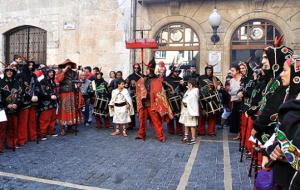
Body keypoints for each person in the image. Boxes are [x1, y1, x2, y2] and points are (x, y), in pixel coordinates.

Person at [264, 57, 300, 190]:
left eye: (285, 70)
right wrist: (269, 151)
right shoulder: (289, 96)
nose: (281, 74)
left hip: (293, 179)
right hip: (282, 173)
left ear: (297, 76)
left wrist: (288, 153)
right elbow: (280, 132)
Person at [135, 57, 173, 142]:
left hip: (152, 104)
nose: (148, 70)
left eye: (150, 69)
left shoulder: (157, 80)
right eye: (148, 69)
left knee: (156, 121)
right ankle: (141, 135)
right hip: (143, 102)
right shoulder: (143, 79)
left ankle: (161, 136)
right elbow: (139, 89)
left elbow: (160, 91)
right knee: (141, 120)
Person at [56, 59, 84, 135]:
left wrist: (78, 84)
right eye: (67, 64)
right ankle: (62, 128)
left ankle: (70, 127)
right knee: (64, 110)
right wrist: (64, 71)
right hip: (63, 93)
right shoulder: (60, 72)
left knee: (72, 109)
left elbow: (77, 82)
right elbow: (59, 80)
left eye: (70, 64)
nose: (68, 66)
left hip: (72, 93)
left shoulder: (75, 73)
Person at [15, 60, 40, 145]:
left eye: (32, 65)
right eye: (29, 65)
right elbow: (19, 89)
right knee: (23, 122)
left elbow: (37, 86)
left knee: (32, 120)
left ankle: (32, 136)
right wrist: (29, 97)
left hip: (33, 101)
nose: (31, 67)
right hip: (24, 101)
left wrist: (36, 94)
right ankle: (22, 139)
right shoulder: (19, 76)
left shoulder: (34, 75)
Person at [0, 66, 21, 151]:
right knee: (2, 128)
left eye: (11, 71)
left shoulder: (16, 83)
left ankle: (12, 144)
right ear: (5, 72)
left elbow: (20, 94)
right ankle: (0, 146)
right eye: (8, 71)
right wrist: (6, 105)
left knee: (13, 127)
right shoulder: (0, 82)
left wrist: (16, 103)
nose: (9, 72)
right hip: (2, 109)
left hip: (14, 109)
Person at [198, 65, 222, 136]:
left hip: (212, 100)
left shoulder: (215, 78)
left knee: (212, 115)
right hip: (202, 99)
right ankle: (201, 131)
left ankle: (211, 131)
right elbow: (196, 86)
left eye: (210, 70)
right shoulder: (200, 77)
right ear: (205, 70)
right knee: (202, 115)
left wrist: (219, 87)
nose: (209, 71)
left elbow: (221, 87)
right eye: (208, 70)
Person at [164, 65, 185, 135]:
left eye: (178, 72)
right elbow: (162, 89)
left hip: (178, 98)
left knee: (178, 115)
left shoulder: (180, 79)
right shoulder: (166, 79)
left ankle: (179, 131)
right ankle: (171, 130)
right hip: (169, 99)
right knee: (170, 114)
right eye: (176, 72)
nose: (177, 73)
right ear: (172, 72)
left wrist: (182, 85)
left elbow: (184, 89)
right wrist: (167, 90)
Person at [38, 67, 58, 140]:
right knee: (44, 119)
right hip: (45, 103)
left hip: (53, 103)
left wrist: (56, 96)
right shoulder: (42, 81)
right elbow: (42, 92)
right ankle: (42, 134)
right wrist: (50, 97)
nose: (51, 73)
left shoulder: (52, 81)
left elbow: (55, 90)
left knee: (53, 119)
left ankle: (51, 131)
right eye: (50, 72)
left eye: (52, 72)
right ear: (46, 73)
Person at [179, 79, 199, 145]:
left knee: (192, 125)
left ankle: (193, 138)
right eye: (188, 84)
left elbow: (192, 98)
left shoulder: (195, 90)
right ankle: (186, 137)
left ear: (192, 84)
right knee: (186, 124)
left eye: (190, 84)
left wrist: (186, 102)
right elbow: (185, 97)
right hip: (186, 109)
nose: (188, 85)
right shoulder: (188, 90)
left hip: (191, 109)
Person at [126, 63, 142, 129]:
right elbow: (126, 84)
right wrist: (126, 85)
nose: (136, 69)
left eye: (137, 68)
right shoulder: (130, 76)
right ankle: (131, 125)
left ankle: (141, 125)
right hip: (132, 95)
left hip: (140, 95)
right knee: (131, 110)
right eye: (135, 68)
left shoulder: (142, 76)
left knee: (140, 111)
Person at [228, 65, 242, 137]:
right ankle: (238, 134)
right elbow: (230, 92)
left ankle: (241, 134)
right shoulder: (231, 80)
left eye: (233, 70)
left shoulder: (242, 79)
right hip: (235, 102)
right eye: (231, 71)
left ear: (237, 71)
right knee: (235, 118)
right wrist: (229, 91)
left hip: (242, 102)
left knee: (241, 119)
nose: (231, 72)